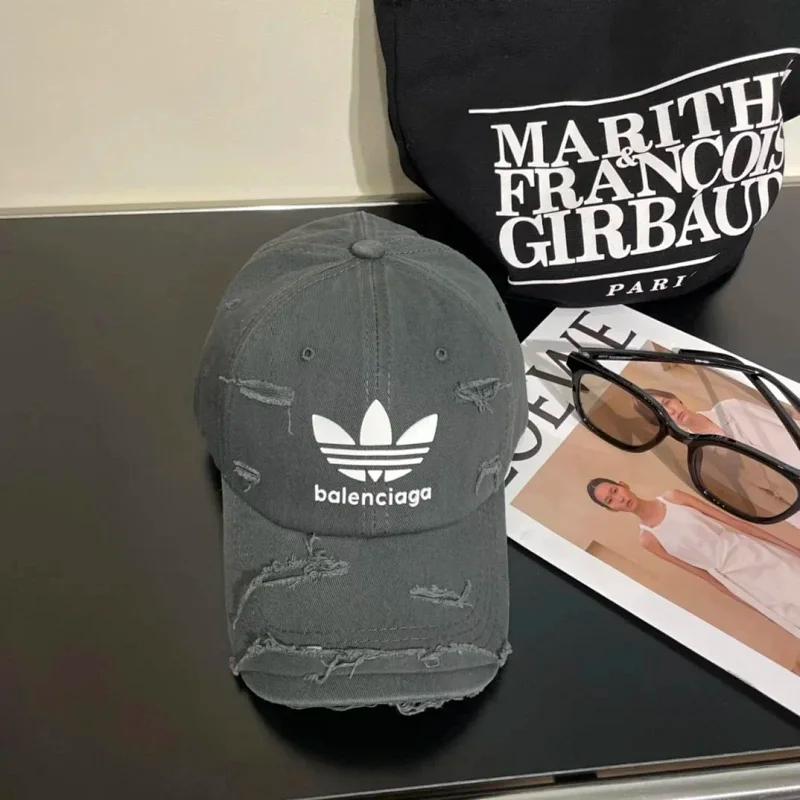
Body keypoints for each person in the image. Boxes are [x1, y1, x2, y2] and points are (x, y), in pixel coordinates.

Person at [586, 478, 800, 639]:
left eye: (615, 490)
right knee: (790, 612)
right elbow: (704, 576)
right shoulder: (648, 540)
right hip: (736, 580)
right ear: (611, 510)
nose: (620, 499)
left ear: (623, 485)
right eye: (610, 501)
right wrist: (759, 609)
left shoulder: (673, 498)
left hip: (750, 551)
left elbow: (736, 523)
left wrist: (792, 549)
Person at [642, 389, 800, 528]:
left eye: (667, 403)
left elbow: (782, 423)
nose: (671, 411)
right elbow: (759, 497)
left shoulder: (729, 408)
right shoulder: (701, 458)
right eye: (662, 413)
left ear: (676, 399)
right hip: (791, 494)